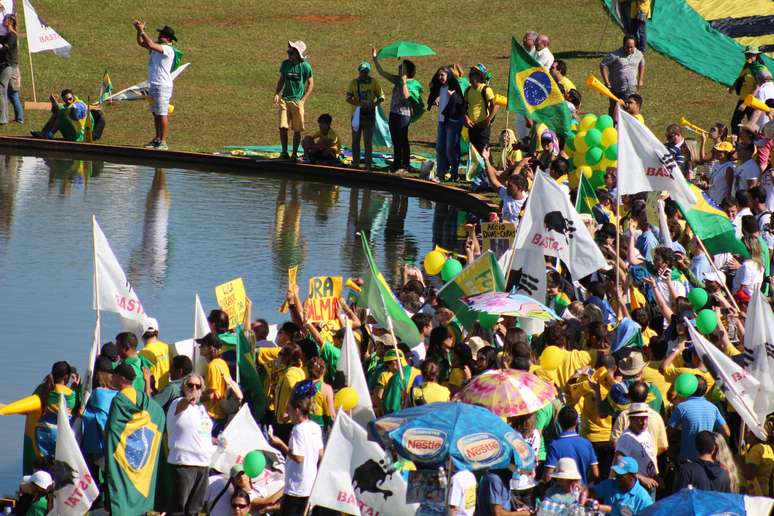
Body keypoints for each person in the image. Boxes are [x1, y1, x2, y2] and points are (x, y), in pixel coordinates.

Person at [166, 373, 214, 516]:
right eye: (190, 385)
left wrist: (216, 440)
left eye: (197, 386)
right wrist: (188, 400)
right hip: (184, 463)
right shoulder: (178, 402)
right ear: (184, 387)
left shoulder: (201, 410)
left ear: (201, 390)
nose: (194, 388)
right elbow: (182, 405)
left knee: (194, 510)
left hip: (203, 464)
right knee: (178, 509)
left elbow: (203, 433)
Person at [270, 394, 324, 516]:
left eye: (289, 410)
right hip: (309, 484)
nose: (287, 413)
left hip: (296, 486)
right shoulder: (315, 427)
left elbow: (299, 457)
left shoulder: (298, 429)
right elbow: (321, 453)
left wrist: (279, 443)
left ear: (297, 410)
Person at [372, 47, 420, 173]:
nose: (398, 69)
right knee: (395, 139)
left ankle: (406, 165)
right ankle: (397, 163)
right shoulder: (398, 80)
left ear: (407, 71)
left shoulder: (412, 83)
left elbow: (407, 97)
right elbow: (382, 72)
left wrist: (404, 83)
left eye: (401, 68)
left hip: (404, 115)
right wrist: (375, 59)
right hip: (394, 113)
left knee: (402, 138)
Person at [133, 21, 179, 150]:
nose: (159, 37)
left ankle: (163, 142)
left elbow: (149, 44)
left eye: (162, 35)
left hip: (162, 86)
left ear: (168, 38)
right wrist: (138, 31)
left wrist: (142, 30)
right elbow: (142, 43)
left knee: (162, 113)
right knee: (155, 113)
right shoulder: (158, 47)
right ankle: (157, 139)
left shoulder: (168, 49)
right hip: (154, 85)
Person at [668, 375, 730, 460]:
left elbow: (669, 432)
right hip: (707, 459)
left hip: (687, 459)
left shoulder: (681, 407)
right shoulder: (713, 407)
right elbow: (727, 432)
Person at [274, 40, 314, 160]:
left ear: (298, 53)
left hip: (297, 102)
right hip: (285, 100)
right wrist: (276, 93)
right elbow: (282, 80)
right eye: (289, 51)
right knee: (283, 127)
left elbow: (311, 83)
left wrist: (303, 100)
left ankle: (294, 153)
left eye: (292, 51)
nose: (289, 53)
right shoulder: (285, 64)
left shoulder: (305, 66)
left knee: (297, 129)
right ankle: (284, 152)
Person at [544, 406, 600, 485]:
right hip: (582, 492)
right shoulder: (587, 444)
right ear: (577, 421)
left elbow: (547, 476)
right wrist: (585, 485)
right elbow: (595, 473)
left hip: (561, 494)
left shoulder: (554, 445)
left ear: (559, 421)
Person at [428, 66, 466, 181]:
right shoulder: (439, 88)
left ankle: (454, 174)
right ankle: (440, 174)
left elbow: (461, 103)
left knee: (451, 149)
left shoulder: (454, 87)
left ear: (448, 75)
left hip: (453, 122)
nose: (440, 78)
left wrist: (452, 96)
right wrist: (435, 100)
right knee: (440, 148)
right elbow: (433, 97)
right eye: (439, 75)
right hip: (442, 121)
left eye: (442, 75)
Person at [613, 403, 659, 494]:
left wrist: (655, 475)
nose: (644, 422)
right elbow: (619, 465)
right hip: (637, 488)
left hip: (650, 484)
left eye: (646, 418)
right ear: (631, 419)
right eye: (639, 419)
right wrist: (641, 478)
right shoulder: (626, 439)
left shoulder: (646, 433)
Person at [346, 61, 384, 169]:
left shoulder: (374, 82)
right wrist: (359, 104)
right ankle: (355, 162)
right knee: (355, 140)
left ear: (369, 71)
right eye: (362, 71)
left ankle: (368, 164)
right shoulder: (353, 83)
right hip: (356, 115)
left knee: (368, 141)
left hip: (369, 115)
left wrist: (374, 104)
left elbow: (381, 97)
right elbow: (348, 98)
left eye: (366, 71)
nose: (364, 73)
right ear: (359, 71)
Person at [196, 332, 235, 436]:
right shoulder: (222, 363)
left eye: (202, 345)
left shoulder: (212, 366)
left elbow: (213, 395)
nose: (200, 348)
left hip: (213, 416)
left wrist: (196, 397)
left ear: (210, 348)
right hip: (221, 414)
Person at [600, 35, 644, 117]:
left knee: (629, 111)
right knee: (614, 110)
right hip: (616, 89)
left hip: (631, 88)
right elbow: (603, 65)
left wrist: (640, 79)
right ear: (623, 45)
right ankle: (612, 126)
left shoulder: (638, 54)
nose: (630, 50)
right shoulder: (615, 55)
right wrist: (607, 82)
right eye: (628, 47)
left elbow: (642, 63)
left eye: (632, 47)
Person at [482, 147, 529, 223]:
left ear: (519, 187)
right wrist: (486, 160)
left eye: (510, 186)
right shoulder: (506, 194)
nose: (507, 187)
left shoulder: (527, 201)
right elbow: (493, 180)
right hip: (505, 233)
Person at [729, 45, 767, 136]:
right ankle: (736, 145)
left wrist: (746, 103)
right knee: (735, 123)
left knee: (752, 127)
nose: (748, 57)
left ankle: (755, 147)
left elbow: (758, 87)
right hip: (743, 99)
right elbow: (740, 77)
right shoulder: (748, 66)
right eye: (747, 55)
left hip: (753, 102)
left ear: (756, 56)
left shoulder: (760, 69)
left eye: (750, 55)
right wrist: (733, 87)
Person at [464, 64, 497, 155]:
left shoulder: (486, 89)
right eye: (469, 75)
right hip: (472, 125)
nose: (470, 77)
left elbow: (494, 106)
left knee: (484, 150)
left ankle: (488, 168)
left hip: (483, 125)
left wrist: (488, 119)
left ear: (479, 77)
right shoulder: (468, 90)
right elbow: (463, 107)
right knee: (473, 151)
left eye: (472, 74)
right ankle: (477, 169)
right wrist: (466, 118)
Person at [0, 14, 22, 124]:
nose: (3, 21)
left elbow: (6, 48)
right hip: (8, 65)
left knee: (12, 93)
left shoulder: (12, 36)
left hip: (10, 66)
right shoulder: (7, 35)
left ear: (10, 22)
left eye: (4, 19)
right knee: (8, 93)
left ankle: (19, 118)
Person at [139, 318, 172, 393]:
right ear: (157, 332)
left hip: (154, 393)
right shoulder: (166, 347)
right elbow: (171, 367)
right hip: (166, 391)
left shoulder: (142, 354)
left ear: (142, 334)